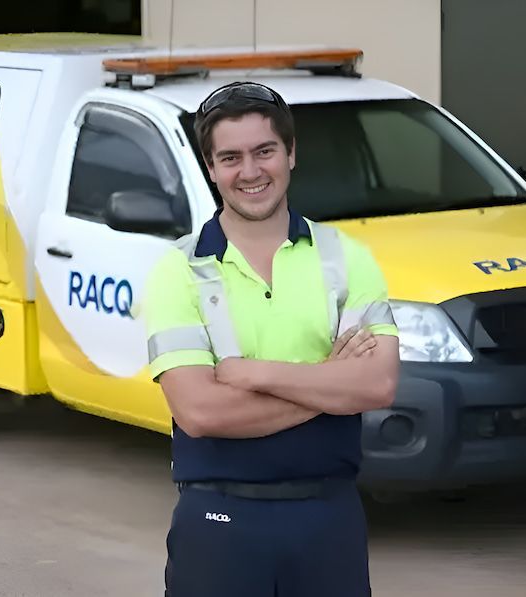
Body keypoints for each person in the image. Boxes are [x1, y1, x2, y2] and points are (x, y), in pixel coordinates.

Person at [142, 81, 400, 597]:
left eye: (265, 151)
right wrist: (328, 382)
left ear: (291, 153)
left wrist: (257, 374)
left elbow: (377, 385)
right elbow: (202, 413)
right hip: (218, 518)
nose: (251, 171)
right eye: (231, 158)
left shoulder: (346, 257)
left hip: (330, 518)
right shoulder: (178, 271)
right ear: (211, 168)